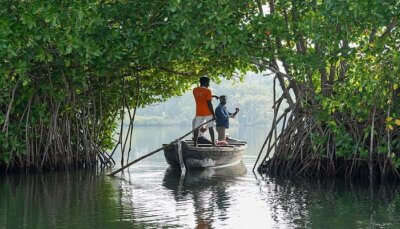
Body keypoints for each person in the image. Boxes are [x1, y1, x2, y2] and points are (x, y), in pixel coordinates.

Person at [193, 76, 217, 147]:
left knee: (196, 128)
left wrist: (212, 96)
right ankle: (213, 143)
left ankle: (195, 144)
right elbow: (209, 103)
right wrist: (213, 114)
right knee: (210, 128)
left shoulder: (195, 90)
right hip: (208, 113)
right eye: (208, 82)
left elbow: (201, 96)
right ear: (205, 82)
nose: (208, 84)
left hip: (199, 112)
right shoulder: (208, 91)